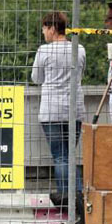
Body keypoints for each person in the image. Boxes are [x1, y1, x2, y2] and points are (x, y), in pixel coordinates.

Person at [31, 11, 86, 212]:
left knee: (60, 157)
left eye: (45, 28)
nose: (43, 32)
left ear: (52, 29)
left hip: (51, 111)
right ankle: (78, 199)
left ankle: (68, 201)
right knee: (70, 155)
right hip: (74, 109)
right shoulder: (79, 49)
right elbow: (82, 73)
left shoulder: (43, 51)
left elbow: (36, 78)